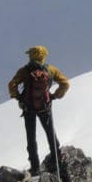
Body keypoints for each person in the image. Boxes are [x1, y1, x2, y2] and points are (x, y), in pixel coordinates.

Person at [8, 45, 70, 175]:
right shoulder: (51, 70)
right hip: (44, 107)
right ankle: (56, 159)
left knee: (31, 137)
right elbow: (65, 84)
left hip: (28, 108)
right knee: (50, 133)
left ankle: (35, 167)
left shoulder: (24, 71)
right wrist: (54, 96)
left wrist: (19, 98)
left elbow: (12, 85)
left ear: (31, 56)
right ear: (43, 56)